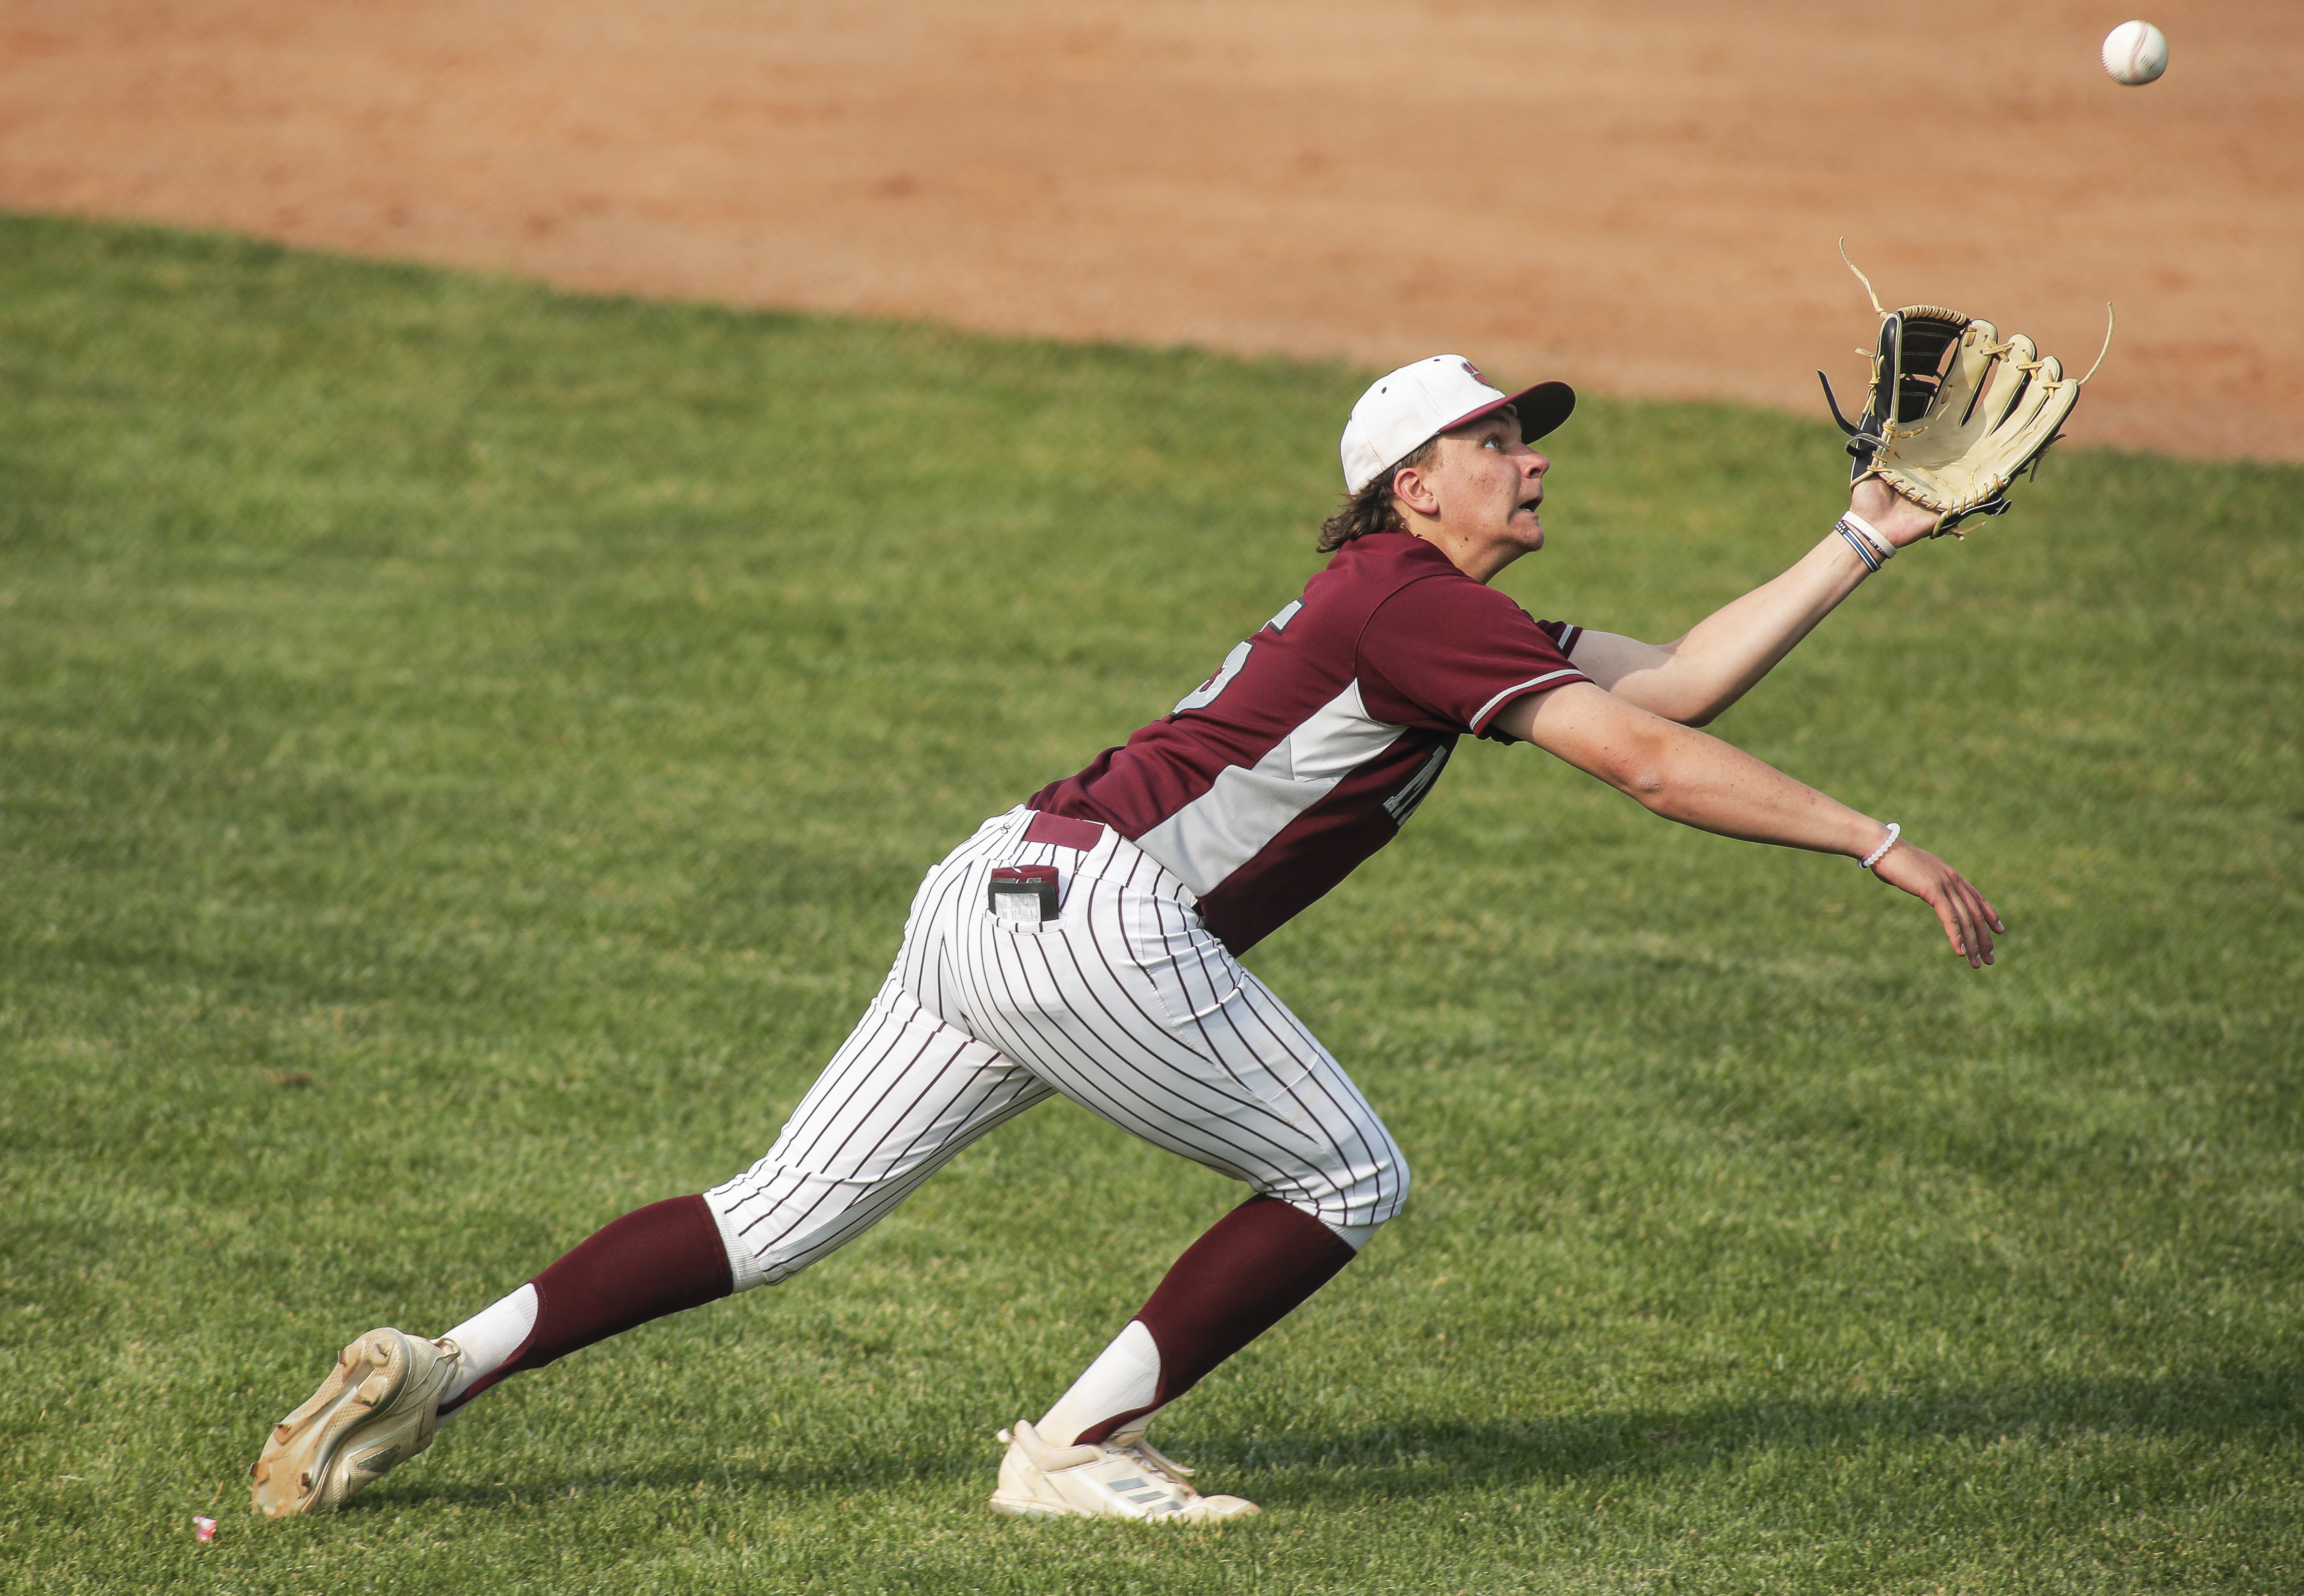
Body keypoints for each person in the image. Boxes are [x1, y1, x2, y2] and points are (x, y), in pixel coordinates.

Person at [252, 355, 2002, 1522]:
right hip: (1099, 921)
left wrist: (1868, 534)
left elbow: (1677, 681)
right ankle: (1076, 1449)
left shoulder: (1420, 606)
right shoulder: (1411, 604)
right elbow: (1649, 764)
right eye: (1491, 442)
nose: (1525, 458)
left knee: (771, 1208)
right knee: (1349, 1172)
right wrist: (1879, 839)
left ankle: (439, 1364)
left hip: (991, 886)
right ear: (1411, 488)